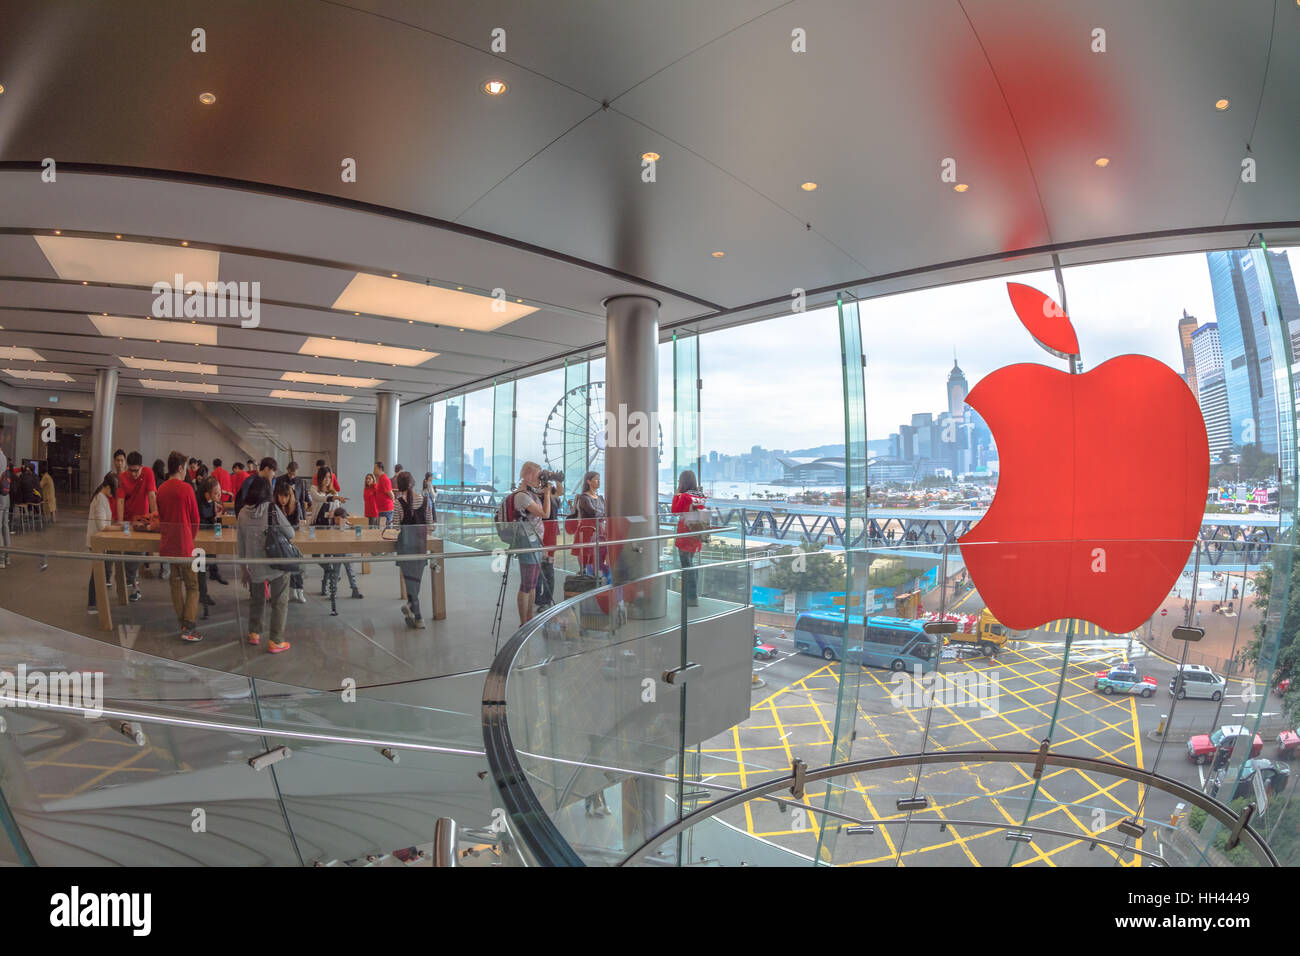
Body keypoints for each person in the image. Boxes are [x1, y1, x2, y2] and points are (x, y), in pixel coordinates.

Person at [237, 475, 293, 653]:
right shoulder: (272, 509)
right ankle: (276, 641)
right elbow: (290, 533)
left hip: (254, 566)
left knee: (256, 599)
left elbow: (241, 544)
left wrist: (244, 569)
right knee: (280, 601)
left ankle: (254, 633)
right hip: (275, 564)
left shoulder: (242, 513)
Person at [156, 451, 203, 641]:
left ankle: (182, 623)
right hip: (185, 546)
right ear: (181, 468)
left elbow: (161, 517)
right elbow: (195, 519)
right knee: (193, 586)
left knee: (175, 585)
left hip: (168, 545)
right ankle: (189, 627)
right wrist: (190, 538)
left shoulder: (161, 489)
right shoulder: (187, 489)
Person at [512, 462, 552, 625]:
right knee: (527, 584)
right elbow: (545, 514)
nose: (540, 479)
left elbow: (557, 492)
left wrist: (551, 484)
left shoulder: (531, 493)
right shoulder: (522, 496)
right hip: (527, 541)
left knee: (533, 583)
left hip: (535, 541)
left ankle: (529, 619)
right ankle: (524, 623)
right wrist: (547, 494)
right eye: (538, 475)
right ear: (529, 475)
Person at [117, 451, 158, 601]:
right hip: (128, 521)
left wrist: (156, 518)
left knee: (139, 552)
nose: (133, 474)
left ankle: (130, 580)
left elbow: (152, 495)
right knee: (130, 553)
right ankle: (131, 583)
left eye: (136, 470)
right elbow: (120, 501)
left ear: (142, 466)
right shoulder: (123, 477)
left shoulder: (148, 473)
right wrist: (121, 522)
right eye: (131, 470)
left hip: (143, 521)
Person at [394, 470, 432, 628]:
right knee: (415, 580)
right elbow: (430, 525)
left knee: (410, 581)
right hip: (420, 545)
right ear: (413, 483)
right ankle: (414, 612)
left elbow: (396, 526)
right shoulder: (425, 500)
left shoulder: (398, 503)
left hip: (405, 546)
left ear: (399, 486)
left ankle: (417, 614)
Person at [314, 503, 363, 608]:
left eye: (340, 519)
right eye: (336, 519)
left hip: (347, 553)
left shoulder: (348, 527)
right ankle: (334, 592)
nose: (337, 521)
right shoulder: (332, 528)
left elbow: (358, 533)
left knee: (351, 572)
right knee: (335, 573)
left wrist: (350, 525)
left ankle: (354, 589)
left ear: (344, 519)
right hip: (337, 553)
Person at [671, 470, 707, 607]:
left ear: (683, 482)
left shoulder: (685, 496)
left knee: (686, 566)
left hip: (685, 534)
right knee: (691, 565)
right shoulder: (700, 496)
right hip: (696, 533)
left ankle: (691, 597)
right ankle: (692, 595)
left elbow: (675, 511)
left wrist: (676, 495)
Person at [86, 472, 118, 613]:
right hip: (97, 541)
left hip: (97, 540)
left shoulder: (101, 497)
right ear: (107, 487)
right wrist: (119, 528)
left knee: (98, 572)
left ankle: (95, 601)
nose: (113, 494)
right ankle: (92, 604)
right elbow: (102, 526)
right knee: (97, 573)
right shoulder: (100, 499)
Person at [569, 471, 608, 580]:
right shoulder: (584, 497)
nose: (599, 481)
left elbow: (603, 513)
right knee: (586, 556)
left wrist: (602, 514)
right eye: (596, 479)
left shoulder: (600, 498)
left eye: (599, 478)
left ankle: (596, 579)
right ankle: (586, 579)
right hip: (587, 531)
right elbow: (594, 513)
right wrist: (603, 514)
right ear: (589, 481)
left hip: (599, 530)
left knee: (599, 557)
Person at [274, 476, 307, 604]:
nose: (283, 499)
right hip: (280, 541)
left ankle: (299, 590)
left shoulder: (296, 505)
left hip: (293, 539)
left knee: (297, 563)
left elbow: (297, 525)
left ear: (290, 496)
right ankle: (292, 589)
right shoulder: (274, 507)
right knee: (288, 565)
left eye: (286, 496)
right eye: (280, 496)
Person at [194, 475, 224, 613]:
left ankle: (213, 573)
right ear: (207, 494)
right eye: (216, 493)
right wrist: (214, 518)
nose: (219, 495)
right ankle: (202, 595)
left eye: (220, 492)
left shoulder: (211, 501)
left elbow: (211, 519)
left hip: (207, 537)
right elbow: (199, 523)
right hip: (198, 540)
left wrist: (216, 517)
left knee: (207, 562)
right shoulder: (198, 502)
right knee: (199, 569)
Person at [373, 461, 395, 528]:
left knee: (385, 530)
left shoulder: (384, 479)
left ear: (380, 469)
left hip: (386, 510)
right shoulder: (380, 479)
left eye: (375, 468)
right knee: (382, 530)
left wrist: (392, 505)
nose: (374, 470)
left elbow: (391, 494)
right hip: (382, 510)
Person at [0, 441, 10, 569]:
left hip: (0, 497)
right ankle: (7, 557)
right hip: (6, 496)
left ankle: (1, 559)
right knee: (5, 527)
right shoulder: (4, 457)